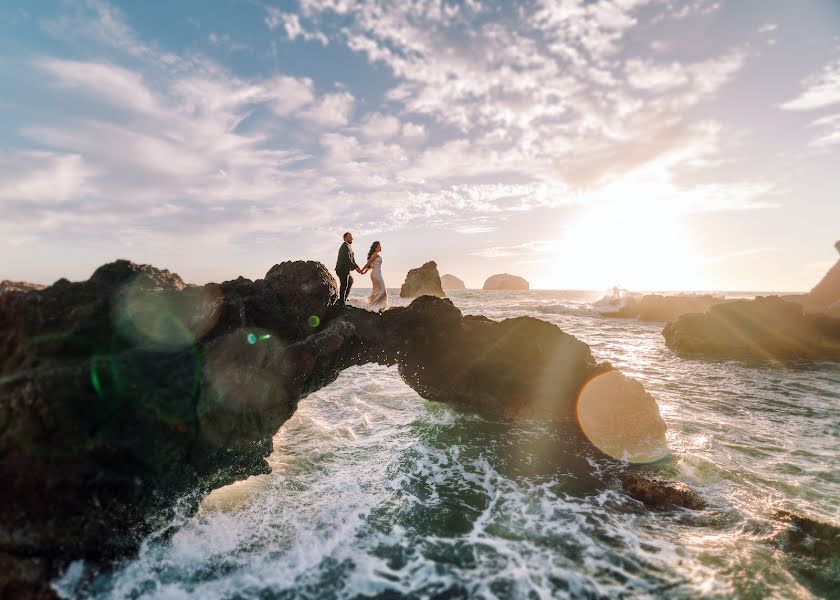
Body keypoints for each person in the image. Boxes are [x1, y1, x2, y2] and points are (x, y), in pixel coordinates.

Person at [359, 241, 388, 313]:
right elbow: (368, 263)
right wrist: (362, 271)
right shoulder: (375, 254)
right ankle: (376, 307)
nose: (380, 247)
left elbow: (369, 266)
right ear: (375, 247)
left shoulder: (375, 254)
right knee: (382, 290)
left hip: (376, 273)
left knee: (378, 290)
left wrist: (364, 272)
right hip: (376, 274)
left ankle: (377, 306)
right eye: (379, 246)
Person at [335, 232, 361, 306]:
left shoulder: (349, 247)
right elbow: (347, 260)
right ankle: (342, 302)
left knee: (350, 281)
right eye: (350, 237)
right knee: (344, 284)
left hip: (346, 269)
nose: (352, 238)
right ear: (345, 238)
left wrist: (357, 267)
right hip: (341, 269)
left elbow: (352, 260)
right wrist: (356, 268)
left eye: (351, 237)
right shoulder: (344, 247)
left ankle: (344, 299)